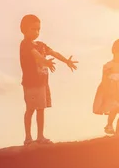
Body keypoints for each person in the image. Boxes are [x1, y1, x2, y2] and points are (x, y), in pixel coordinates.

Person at [19, 14, 77, 145]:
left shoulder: (41, 44)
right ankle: (28, 138)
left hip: (42, 83)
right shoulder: (25, 44)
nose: (36, 32)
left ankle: (40, 136)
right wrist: (45, 61)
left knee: (41, 108)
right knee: (30, 109)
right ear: (24, 29)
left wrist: (66, 61)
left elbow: (54, 53)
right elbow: (36, 55)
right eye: (33, 29)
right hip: (31, 83)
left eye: (38, 29)